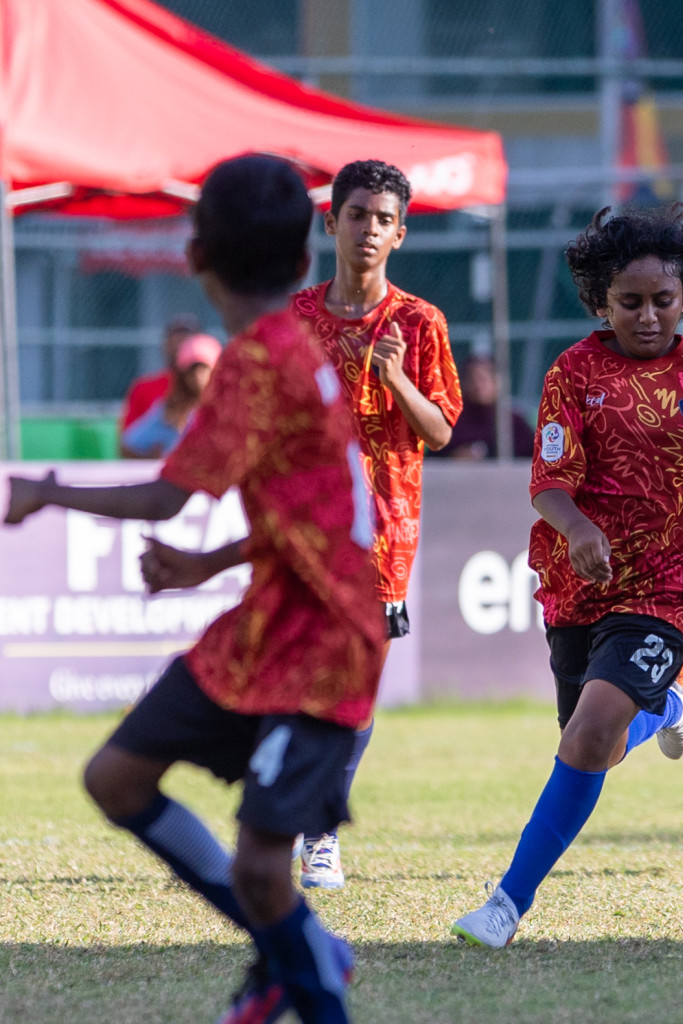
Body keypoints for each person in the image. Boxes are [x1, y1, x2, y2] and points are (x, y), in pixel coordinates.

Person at [5, 155, 380, 1024]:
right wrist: (208, 567)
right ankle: (302, 947)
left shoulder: (256, 364)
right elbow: (307, 513)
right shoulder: (287, 349)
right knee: (117, 778)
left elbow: (167, 494)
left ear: (194, 252)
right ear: (300, 262)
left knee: (261, 866)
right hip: (268, 620)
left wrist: (47, 490)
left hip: (325, 642)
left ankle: (307, 976)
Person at [450, 203, 683, 949]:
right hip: (578, 586)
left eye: (662, 301)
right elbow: (547, 482)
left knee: (587, 738)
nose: (647, 316)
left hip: (666, 593)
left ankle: (506, 905)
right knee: (595, 747)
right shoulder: (573, 372)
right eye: (630, 301)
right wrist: (575, 529)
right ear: (600, 301)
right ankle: (672, 708)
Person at [290, 159, 463, 889]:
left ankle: (318, 828)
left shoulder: (419, 323)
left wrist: (393, 378)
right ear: (331, 222)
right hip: (304, 525)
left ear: (400, 233)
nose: (369, 229)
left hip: (386, 532)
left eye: (383, 219)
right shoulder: (294, 320)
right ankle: (304, 820)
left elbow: (442, 430)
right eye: (356, 214)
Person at [119, 333, 223, 458]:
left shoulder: (229, 408)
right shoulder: (168, 412)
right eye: (191, 369)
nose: (197, 376)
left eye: (204, 368)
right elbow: (128, 446)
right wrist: (152, 458)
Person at [429, 355, 536, 460]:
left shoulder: (513, 423)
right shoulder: (451, 422)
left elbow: (535, 459)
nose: (478, 385)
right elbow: (430, 462)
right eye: (472, 379)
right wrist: (453, 458)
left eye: (484, 379)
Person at [119, 314, 202, 437]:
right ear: (166, 345)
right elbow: (128, 443)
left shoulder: (215, 391)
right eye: (176, 340)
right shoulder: (144, 388)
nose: (181, 346)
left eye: (187, 342)